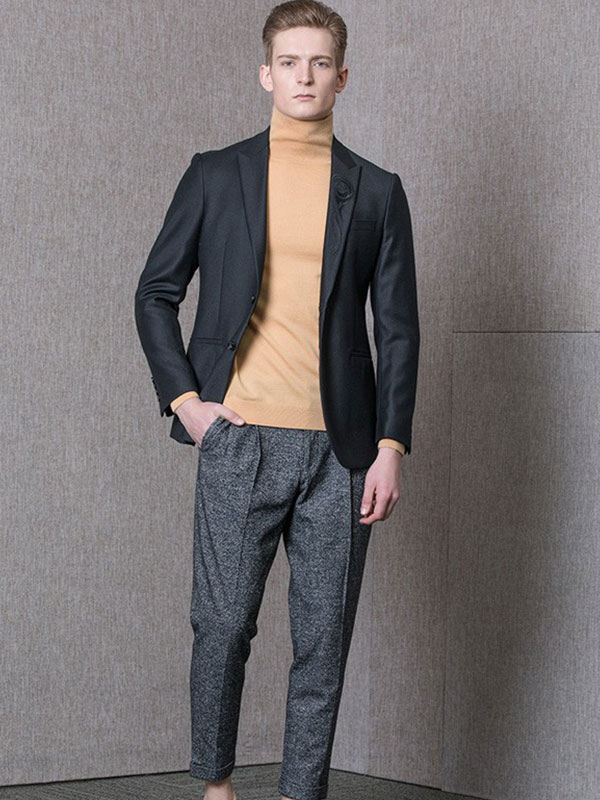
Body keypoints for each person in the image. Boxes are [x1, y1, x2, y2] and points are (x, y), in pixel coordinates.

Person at [134, 2, 420, 798]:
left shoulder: (378, 192)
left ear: (342, 77)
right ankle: (217, 786)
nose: (304, 76)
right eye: (289, 62)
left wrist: (390, 447)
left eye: (320, 63)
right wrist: (186, 402)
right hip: (239, 437)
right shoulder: (215, 174)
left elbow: (398, 331)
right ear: (266, 73)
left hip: (343, 452)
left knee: (323, 645)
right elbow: (155, 293)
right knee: (223, 625)